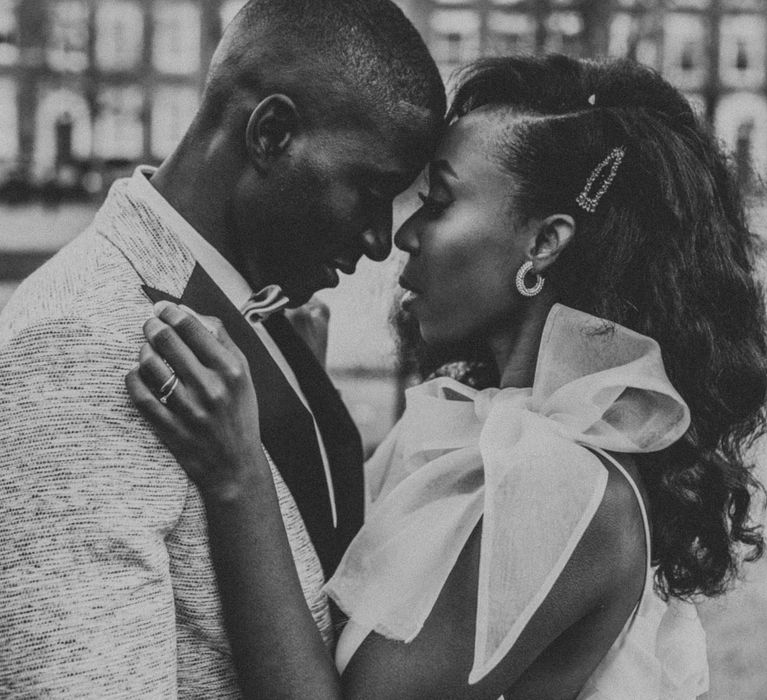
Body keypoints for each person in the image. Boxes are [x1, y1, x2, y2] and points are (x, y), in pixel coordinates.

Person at [127, 55, 767, 699]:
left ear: (544, 243)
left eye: (438, 202)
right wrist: (306, 388)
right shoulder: (481, 423)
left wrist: (239, 476)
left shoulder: (567, 484)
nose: (403, 234)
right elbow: (339, 567)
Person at [0, 1, 445, 695]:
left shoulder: (262, 309)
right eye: (370, 189)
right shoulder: (79, 339)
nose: (380, 240)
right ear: (272, 133)